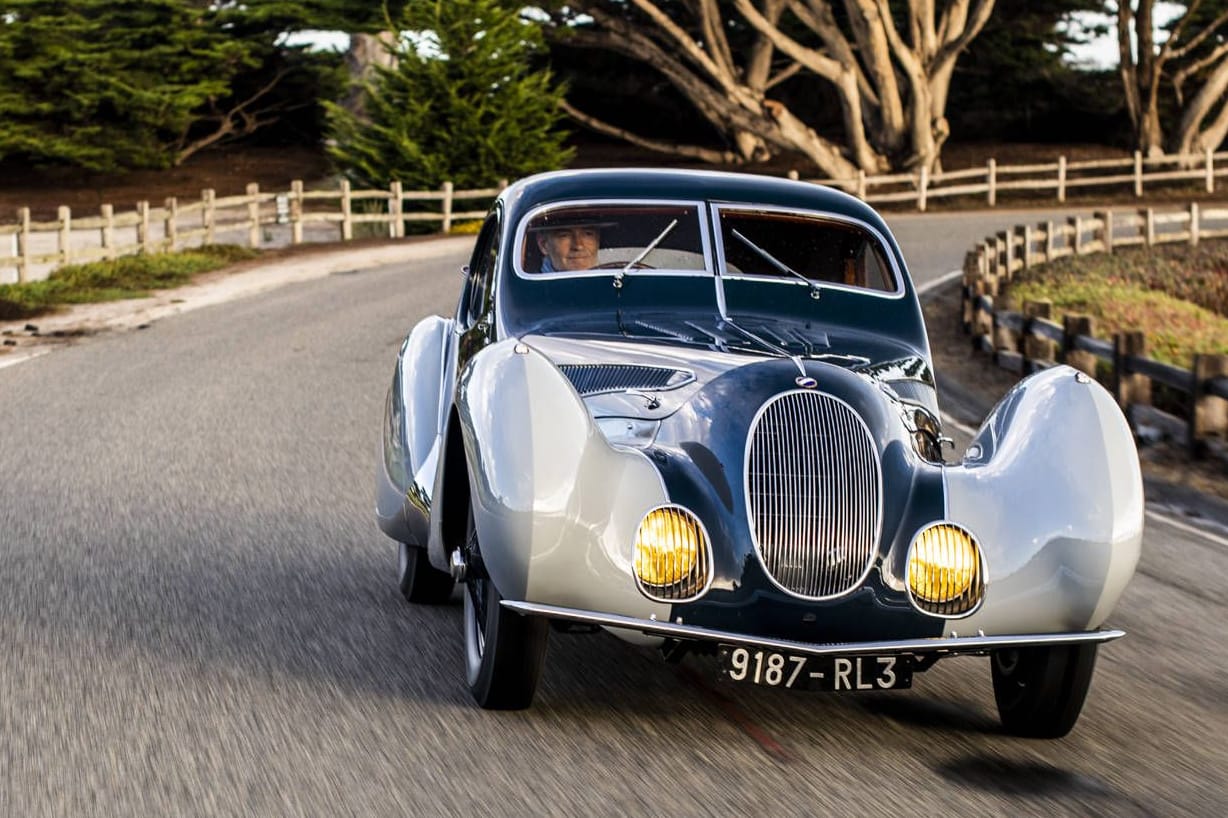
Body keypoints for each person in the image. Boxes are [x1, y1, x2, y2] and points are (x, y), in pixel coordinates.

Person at [531, 218, 603, 272]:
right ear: (544, 245)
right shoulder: (531, 289)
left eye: (588, 234)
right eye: (564, 235)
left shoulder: (610, 282)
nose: (578, 246)